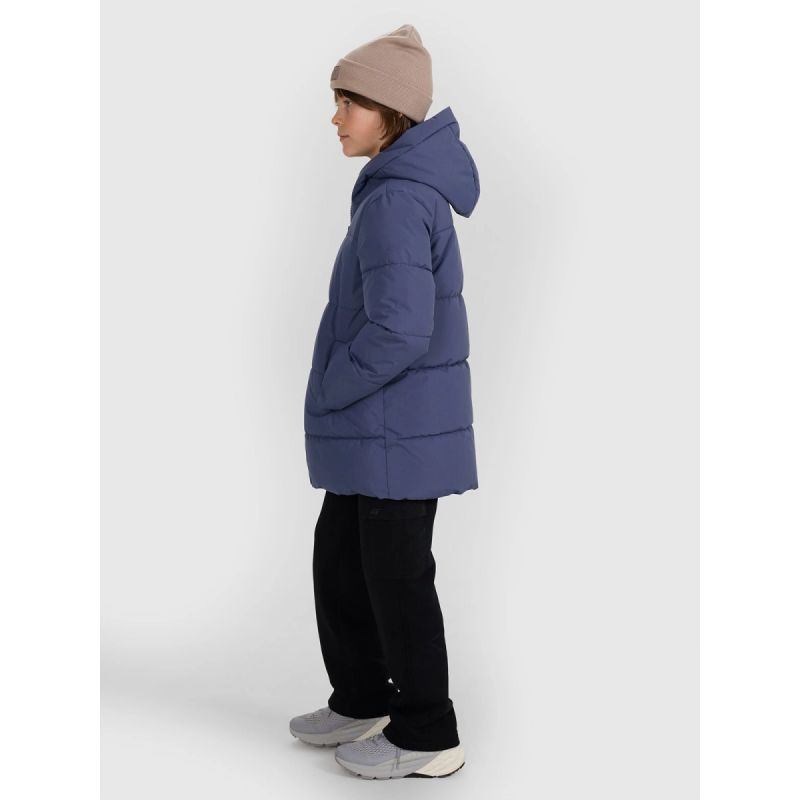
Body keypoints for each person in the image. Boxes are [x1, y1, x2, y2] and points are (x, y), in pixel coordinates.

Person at [290, 23, 481, 780]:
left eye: (349, 102)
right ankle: (364, 697)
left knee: (397, 581)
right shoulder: (391, 188)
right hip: (381, 431)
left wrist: (331, 385)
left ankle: (428, 733)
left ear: (390, 113)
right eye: (337, 101)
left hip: (392, 430)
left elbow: (400, 329)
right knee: (341, 563)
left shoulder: (397, 197)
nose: (336, 117)